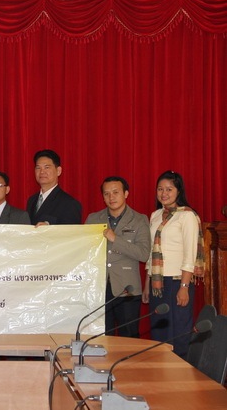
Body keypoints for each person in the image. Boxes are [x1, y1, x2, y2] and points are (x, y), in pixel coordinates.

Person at [143, 170, 204, 358]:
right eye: (160, 189)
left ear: (179, 191)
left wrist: (184, 287)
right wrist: (147, 283)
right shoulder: (155, 215)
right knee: (159, 333)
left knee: (178, 333)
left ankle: (180, 371)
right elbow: (151, 251)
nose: (164, 193)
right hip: (157, 283)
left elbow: (190, 254)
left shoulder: (187, 216)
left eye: (169, 189)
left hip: (178, 281)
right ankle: (161, 371)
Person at [85, 176, 151, 337]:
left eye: (115, 192)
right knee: (101, 337)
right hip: (99, 288)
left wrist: (116, 239)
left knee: (128, 339)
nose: (111, 197)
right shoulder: (93, 218)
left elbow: (143, 254)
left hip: (127, 289)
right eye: (106, 193)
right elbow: (85, 250)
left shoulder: (139, 219)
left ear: (126, 193)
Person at [26, 149, 82, 226]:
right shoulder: (32, 200)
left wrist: (49, 228)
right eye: (38, 168)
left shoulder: (70, 204)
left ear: (58, 171)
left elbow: (71, 232)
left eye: (47, 167)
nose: (42, 172)